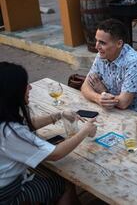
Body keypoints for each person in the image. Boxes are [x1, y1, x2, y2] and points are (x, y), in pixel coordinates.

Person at [0, 62, 97, 204]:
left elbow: (28, 123)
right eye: (25, 85)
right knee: (62, 182)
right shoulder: (10, 132)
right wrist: (84, 131)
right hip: (8, 197)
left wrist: (59, 114)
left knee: (48, 172)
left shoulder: (4, 116)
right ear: (13, 92)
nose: (30, 87)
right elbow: (55, 154)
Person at [81, 19, 137, 114]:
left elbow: (123, 102)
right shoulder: (102, 55)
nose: (96, 46)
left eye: (102, 43)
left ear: (119, 43)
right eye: (96, 40)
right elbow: (85, 87)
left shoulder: (134, 62)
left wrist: (102, 91)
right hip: (118, 109)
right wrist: (99, 98)